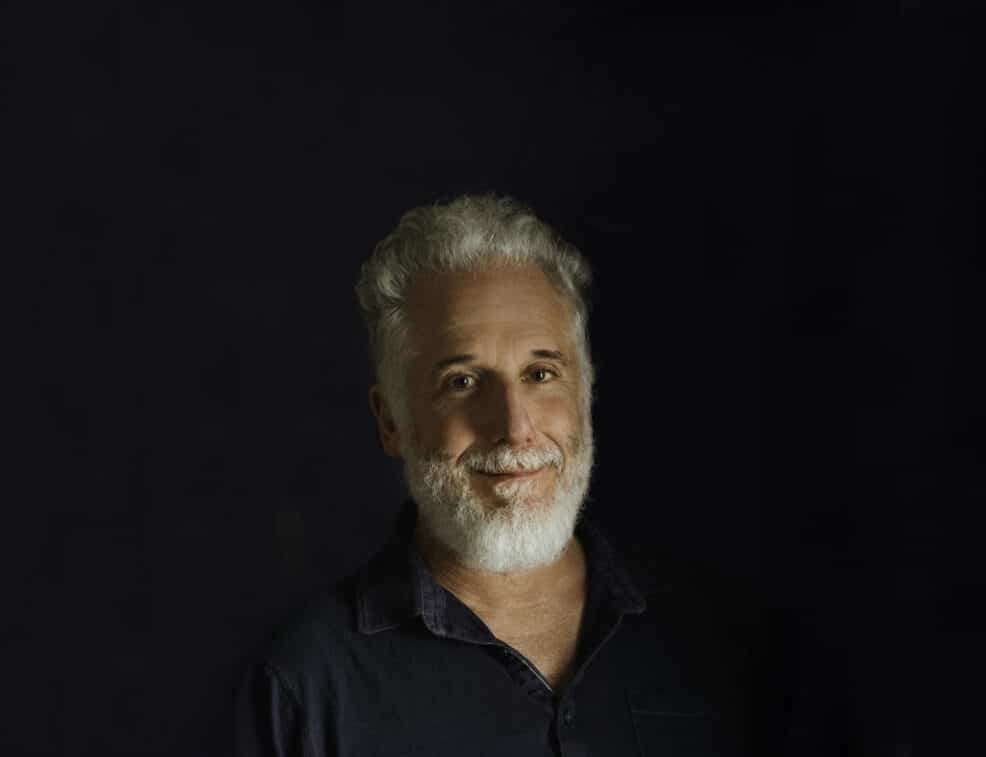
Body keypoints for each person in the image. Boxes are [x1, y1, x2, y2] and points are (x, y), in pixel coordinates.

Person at [235, 195, 782, 756]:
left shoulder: (725, 646)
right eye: (462, 382)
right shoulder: (305, 689)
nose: (515, 428)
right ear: (390, 420)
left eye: (540, 373)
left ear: (586, 391)